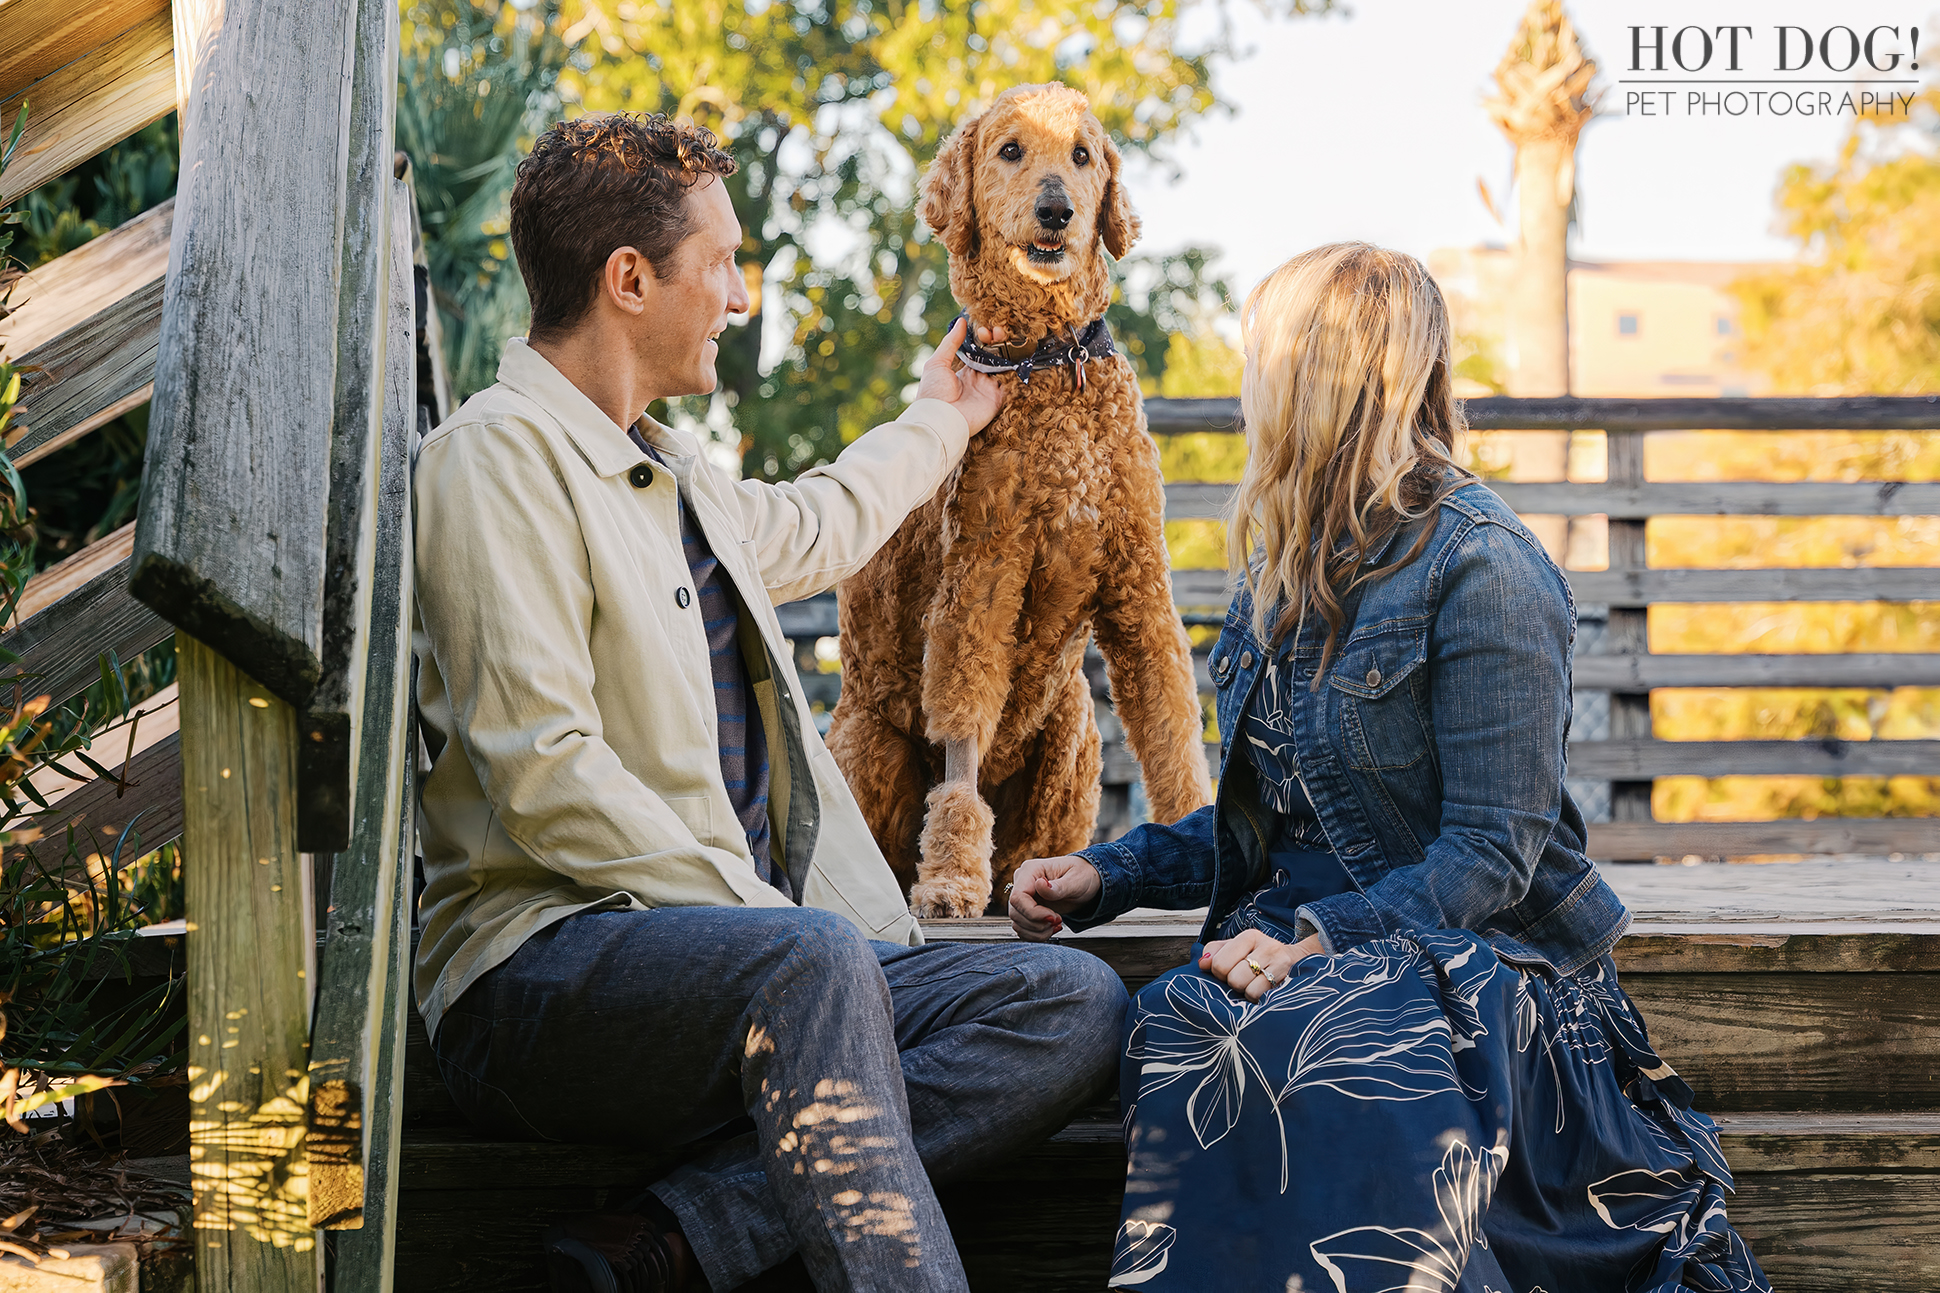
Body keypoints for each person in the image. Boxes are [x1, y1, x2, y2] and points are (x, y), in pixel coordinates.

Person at [412, 112, 1127, 1293]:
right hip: (541, 971)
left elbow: (812, 524)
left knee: (1068, 1002)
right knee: (810, 965)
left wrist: (944, 414)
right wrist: (762, 918)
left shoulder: (667, 467)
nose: (740, 294)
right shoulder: (496, 462)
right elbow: (542, 771)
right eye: (724, 263)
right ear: (629, 280)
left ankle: (679, 1234)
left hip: (754, 950)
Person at [1007, 243, 1771, 1293]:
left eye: (1254, 365)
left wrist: (1316, 940)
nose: (1242, 393)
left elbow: (1493, 857)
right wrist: (1111, 875)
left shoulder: (1483, 565)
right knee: (1184, 1018)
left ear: (1312, 379)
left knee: (1321, 1040)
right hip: (1302, 945)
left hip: (1476, 962)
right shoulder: (1287, 563)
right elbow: (1276, 814)